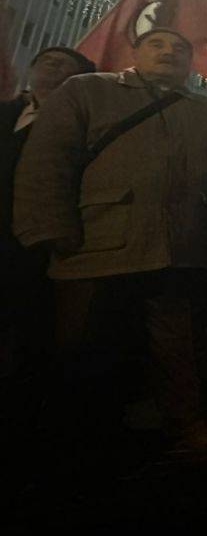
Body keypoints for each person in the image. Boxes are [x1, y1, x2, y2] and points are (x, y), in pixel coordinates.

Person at [13, 28, 207, 451]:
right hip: (93, 247)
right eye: (156, 44)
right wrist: (51, 231)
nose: (168, 52)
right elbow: (47, 164)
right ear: (134, 52)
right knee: (82, 347)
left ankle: (187, 425)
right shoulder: (86, 91)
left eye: (179, 48)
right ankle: (67, 437)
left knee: (179, 349)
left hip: (180, 250)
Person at [0, 46, 94, 461]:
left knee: (32, 332)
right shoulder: (8, 114)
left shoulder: (87, 123)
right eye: (46, 60)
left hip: (38, 246)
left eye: (65, 63)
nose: (52, 66)